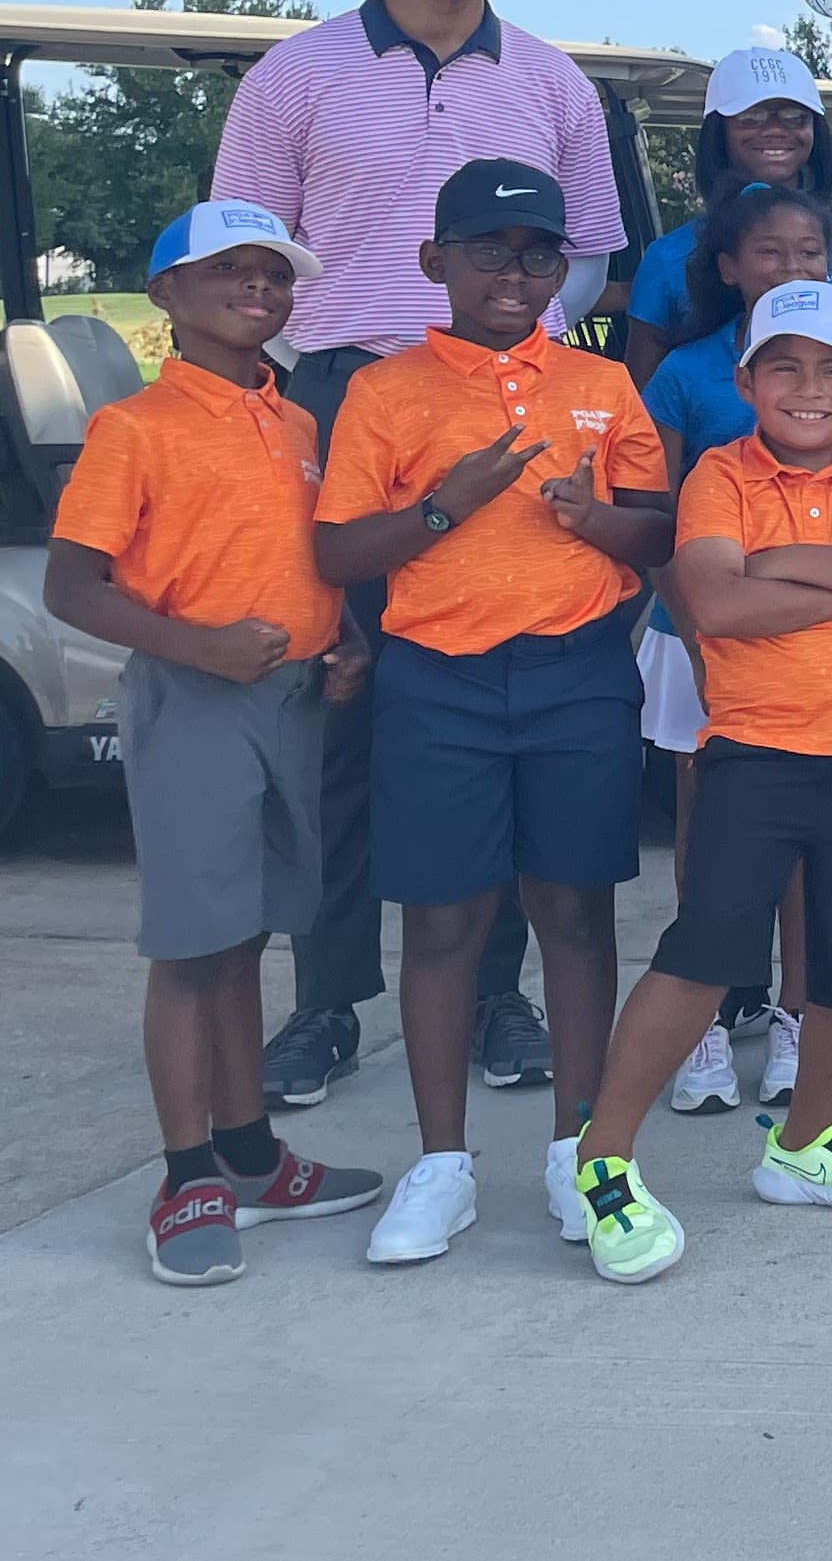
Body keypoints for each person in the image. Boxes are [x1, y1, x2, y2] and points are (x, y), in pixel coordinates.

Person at [211, 0, 627, 1111]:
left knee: (498, 684)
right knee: (339, 693)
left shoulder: (553, 82)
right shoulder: (296, 75)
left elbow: (593, 255)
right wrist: (345, 382)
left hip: (509, 405)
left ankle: (496, 994)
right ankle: (329, 999)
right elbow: (251, 263)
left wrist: (500, 356)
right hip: (349, 397)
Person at [310, 162, 671, 1266]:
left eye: (538, 256)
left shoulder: (601, 388)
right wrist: (441, 505)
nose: (515, 277)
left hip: (575, 672)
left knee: (574, 913)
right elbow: (335, 551)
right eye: (487, 253)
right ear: (435, 262)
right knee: (443, 922)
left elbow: (657, 533)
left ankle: (578, 1152)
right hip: (440, 680)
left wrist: (593, 520)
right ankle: (442, 1166)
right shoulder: (386, 390)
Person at [567, 281, 832, 1283]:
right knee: (705, 952)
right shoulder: (719, 477)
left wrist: (781, 561)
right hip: (758, 751)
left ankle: (805, 1145)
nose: (809, 387)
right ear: (746, 381)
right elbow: (719, 607)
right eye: (785, 365)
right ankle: (602, 1163)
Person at [45, 203, 381, 1286]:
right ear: (168, 297)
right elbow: (72, 587)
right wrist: (201, 646)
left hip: (292, 700)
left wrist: (349, 639)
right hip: (196, 701)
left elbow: (304, 558)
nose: (259, 292)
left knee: (245, 937)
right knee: (192, 946)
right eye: (230, 273)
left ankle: (250, 1155)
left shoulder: (296, 424)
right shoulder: (134, 427)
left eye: (275, 277)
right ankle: (186, 1174)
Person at [638, 182, 832, 1116]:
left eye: (809, 250)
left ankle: (795, 1027)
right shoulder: (691, 385)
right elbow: (699, 578)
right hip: (716, 658)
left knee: (825, 886)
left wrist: (779, 567)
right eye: (769, 250)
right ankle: (705, 1024)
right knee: (715, 866)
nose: (809, 386)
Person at [619, 45, 832, 432]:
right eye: (751, 116)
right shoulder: (667, 257)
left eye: (795, 116)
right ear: (718, 132)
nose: (775, 129)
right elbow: (640, 407)